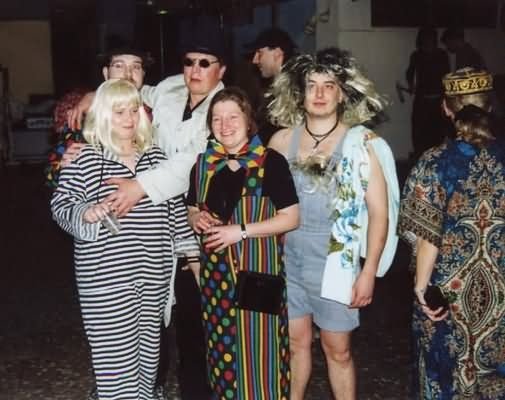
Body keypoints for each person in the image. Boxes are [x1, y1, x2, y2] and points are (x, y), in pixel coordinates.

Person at [66, 32, 227, 400]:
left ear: (221, 71)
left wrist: (139, 186)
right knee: (124, 350)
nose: (195, 69)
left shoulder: (222, 110)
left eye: (205, 63)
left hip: (193, 228)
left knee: (190, 331)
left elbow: (188, 165)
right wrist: (91, 100)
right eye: (189, 61)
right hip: (112, 270)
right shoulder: (163, 93)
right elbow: (65, 200)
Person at [50, 78, 200, 400]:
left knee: (148, 366)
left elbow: (176, 214)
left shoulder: (155, 157)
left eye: (134, 110)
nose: (129, 119)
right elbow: (61, 206)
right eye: (119, 112)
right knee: (116, 368)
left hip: (153, 277)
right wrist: (86, 212)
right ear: (104, 114)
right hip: (106, 282)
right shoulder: (85, 158)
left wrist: (193, 259)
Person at [267, 47, 400, 400]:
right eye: (312, 85)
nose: (320, 94)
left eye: (329, 86)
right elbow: (265, 203)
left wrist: (368, 271)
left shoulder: (362, 144)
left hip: (336, 259)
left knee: (337, 350)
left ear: (342, 94)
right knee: (294, 344)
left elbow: (380, 213)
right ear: (301, 93)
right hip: (288, 259)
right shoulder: (281, 141)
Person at [186, 86, 300, 399]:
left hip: (259, 276)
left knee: (262, 354)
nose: (225, 125)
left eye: (233, 117)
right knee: (222, 357)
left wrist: (241, 231)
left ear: (248, 120)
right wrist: (195, 218)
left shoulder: (270, 163)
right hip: (216, 280)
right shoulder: (203, 165)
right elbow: (192, 208)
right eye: (217, 118)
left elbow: (291, 218)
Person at [399, 67, 505, 399]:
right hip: (501, 293)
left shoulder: (434, 162)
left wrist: (421, 288)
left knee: (443, 376)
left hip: (446, 297)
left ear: (446, 108)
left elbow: (425, 234)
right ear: (490, 106)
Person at [46, 43, 154, 188]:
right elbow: (51, 177)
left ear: (143, 74)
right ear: (106, 73)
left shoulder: (156, 111)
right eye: (119, 66)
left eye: (136, 67)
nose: (128, 73)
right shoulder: (84, 115)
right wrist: (63, 166)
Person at [246, 27, 297, 145]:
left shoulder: (294, 90)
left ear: (277, 53)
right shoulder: (279, 90)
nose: (254, 60)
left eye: (259, 53)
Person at [406, 27, 451, 159]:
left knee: (437, 135)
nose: (428, 42)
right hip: (422, 102)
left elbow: (447, 76)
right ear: (420, 41)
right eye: (425, 40)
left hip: (438, 101)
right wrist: (411, 85)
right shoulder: (416, 55)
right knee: (419, 134)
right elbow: (410, 73)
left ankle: (437, 161)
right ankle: (421, 161)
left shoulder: (441, 55)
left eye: (431, 39)